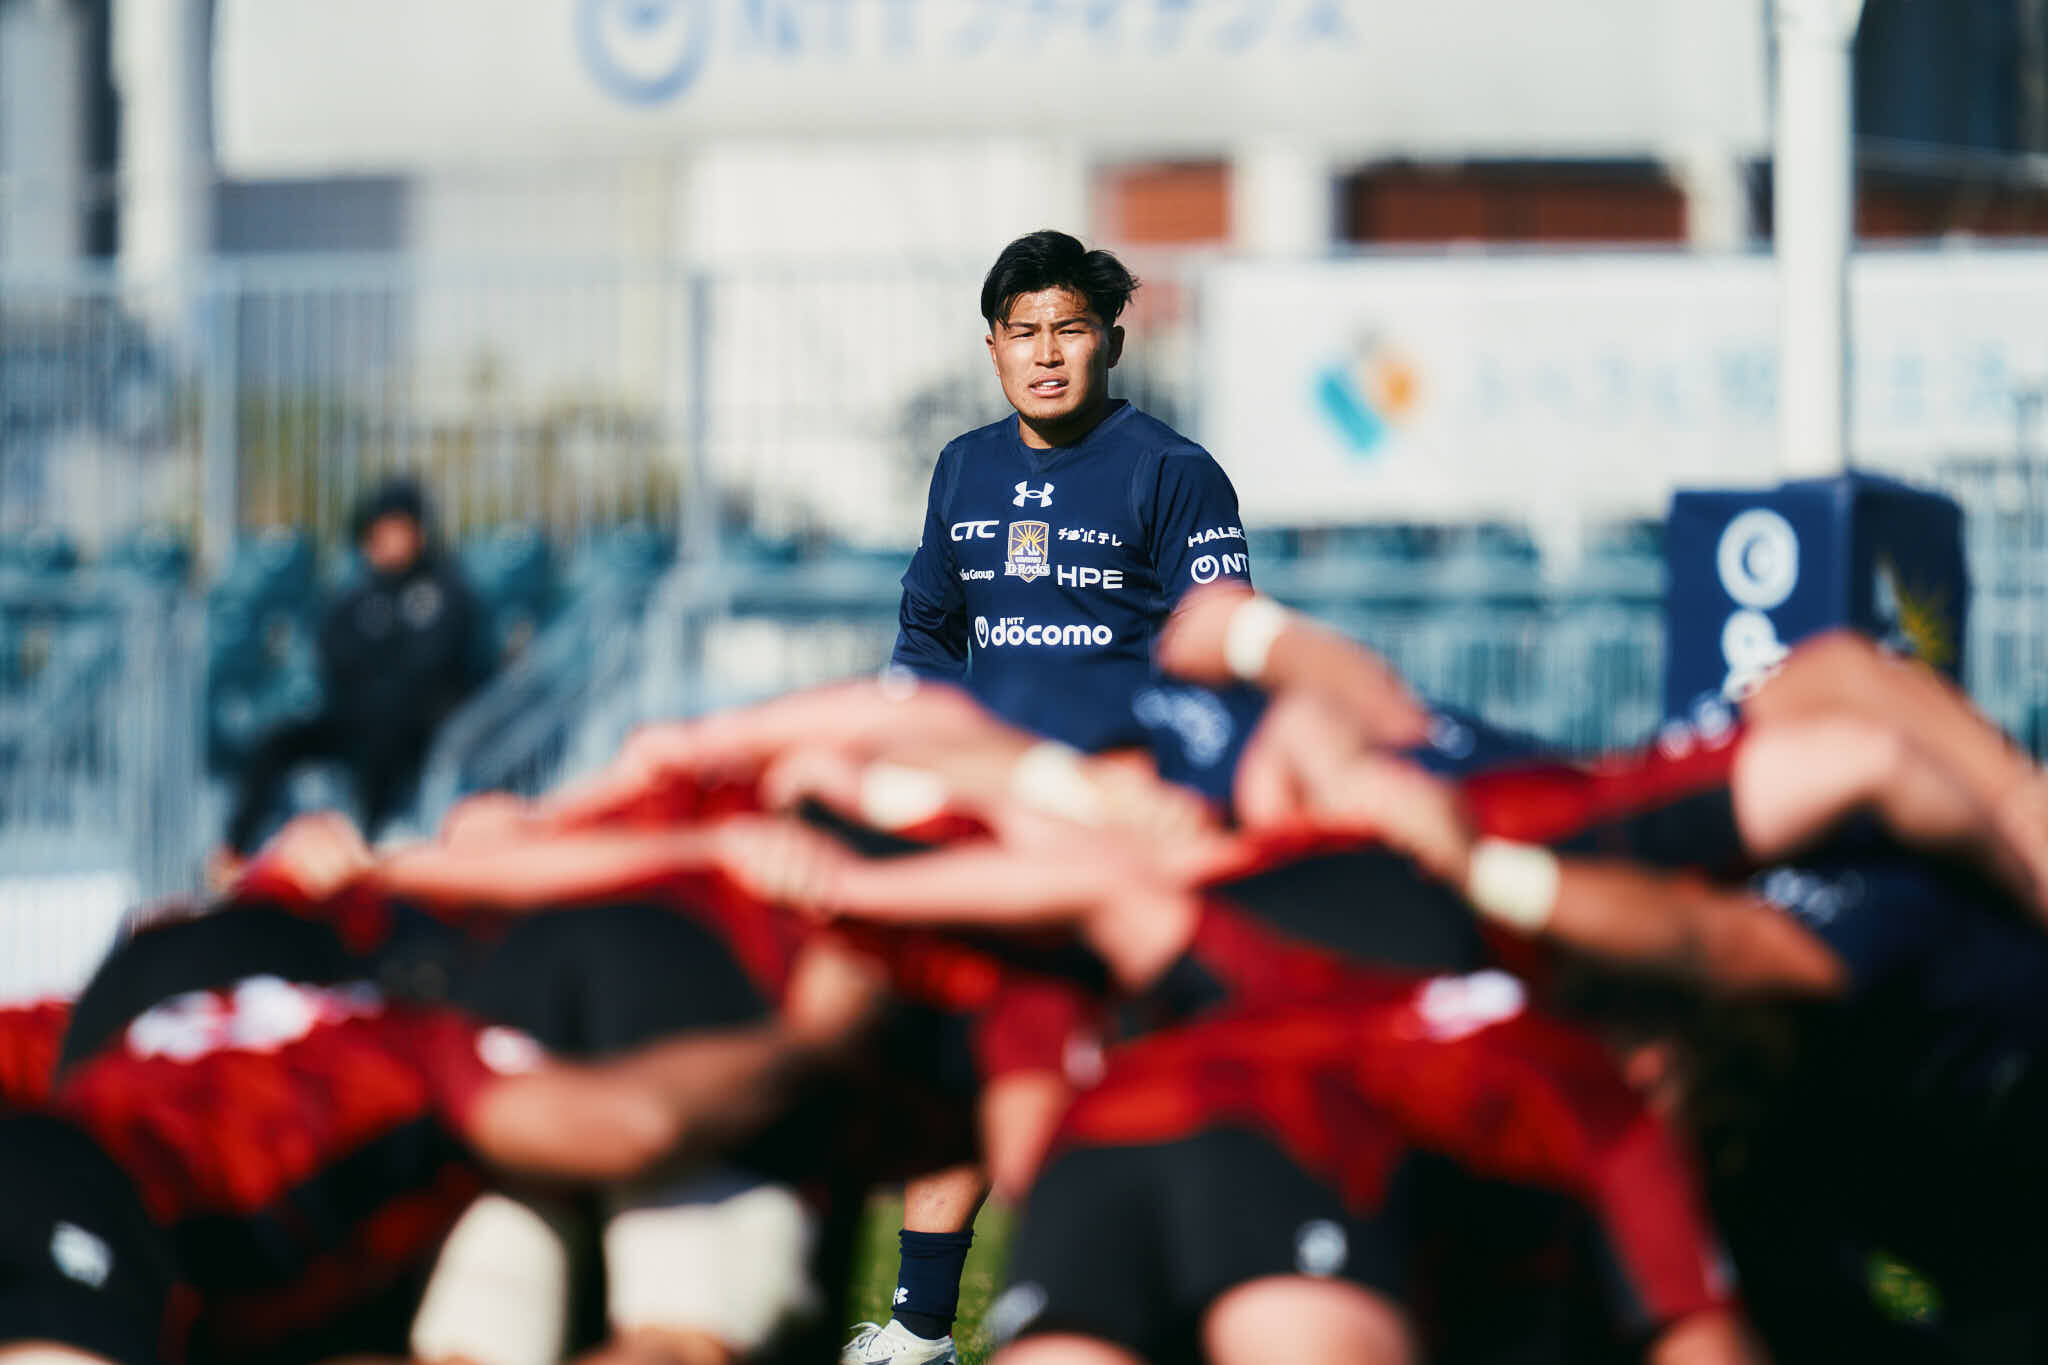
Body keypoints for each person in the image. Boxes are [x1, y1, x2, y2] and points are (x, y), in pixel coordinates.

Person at [873, 229, 1257, 1364]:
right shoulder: (961, 468)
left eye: (1070, 330)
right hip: (1000, 812)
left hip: (1121, 815)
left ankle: (1162, 1303)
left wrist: (1150, 781)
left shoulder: (1173, 471)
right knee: (974, 1050)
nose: (1046, 354)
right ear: (993, 346)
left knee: (1129, 1073)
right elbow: (926, 634)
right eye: (1024, 332)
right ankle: (917, 1331)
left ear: (1111, 343)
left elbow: (1218, 641)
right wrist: (920, 752)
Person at [222, 479, 486, 861]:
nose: (387, 541)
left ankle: (366, 853)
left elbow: (431, 664)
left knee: (384, 729)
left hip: (420, 729)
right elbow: (336, 654)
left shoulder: (444, 591)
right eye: (379, 531)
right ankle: (233, 853)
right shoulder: (358, 593)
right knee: (276, 742)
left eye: (396, 529)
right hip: (353, 719)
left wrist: (381, 658)